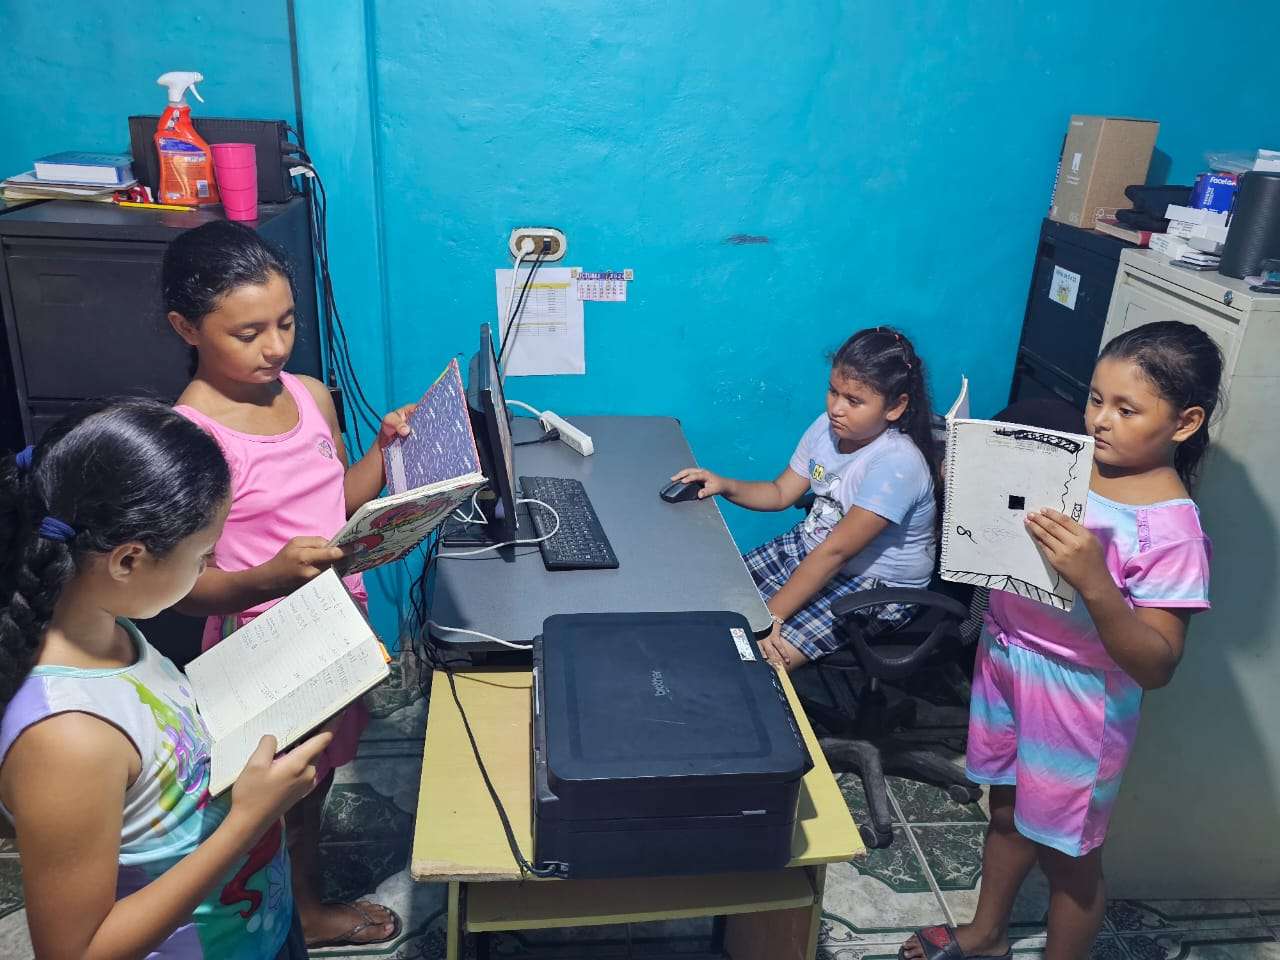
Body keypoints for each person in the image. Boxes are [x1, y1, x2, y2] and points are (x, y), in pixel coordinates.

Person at [900, 320, 1221, 960]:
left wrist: (1096, 583)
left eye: (1127, 409)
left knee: (1068, 855)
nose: (1101, 420)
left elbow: (1157, 664)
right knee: (1004, 808)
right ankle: (988, 933)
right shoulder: (1069, 466)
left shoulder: (1170, 528)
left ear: (1184, 423)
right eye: (1096, 399)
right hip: (1008, 658)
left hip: (1079, 700)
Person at [0, 400, 332, 959]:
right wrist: (248, 819)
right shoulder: (67, 736)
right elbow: (77, 951)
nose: (210, 566)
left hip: (253, 925)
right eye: (205, 555)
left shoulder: (110, 626)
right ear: (127, 560)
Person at [165, 220, 409, 949]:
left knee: (320, 777)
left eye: (286, 323)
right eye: (247, 333)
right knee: (283, 794)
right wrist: (268, 577)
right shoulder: (193, 435)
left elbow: (334, 502)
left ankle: (296, 897)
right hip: (264, 639)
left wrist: (385, 456)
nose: (275, 347)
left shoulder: (307, 394)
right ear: (186, 326)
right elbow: (187, 586)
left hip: (337, 622)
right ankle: (296, 909)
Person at [672, 326, 939, 670]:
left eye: (854, 401)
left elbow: (837, 552)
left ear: (895, 407)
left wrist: (771, 618)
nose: (836, 409)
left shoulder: (897, 464)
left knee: (753, 659)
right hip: (810, 548)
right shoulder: (826, 429)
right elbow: (781, 492)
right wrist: (724, 484)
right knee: (705, 604)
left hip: (871, 586)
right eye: (833, 392)